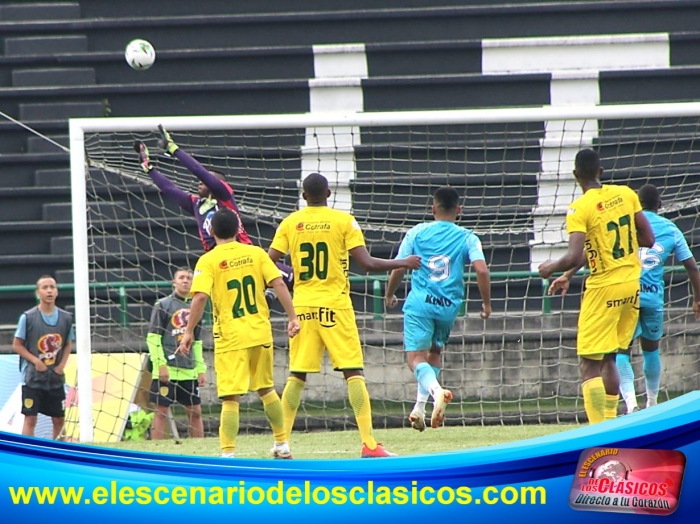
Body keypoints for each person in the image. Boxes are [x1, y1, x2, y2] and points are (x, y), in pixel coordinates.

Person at [267, 172, 421, 458]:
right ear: (328, 194)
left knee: (297, 375)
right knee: (353, 372)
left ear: (303, 197)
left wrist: (285, 279)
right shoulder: (343, 221)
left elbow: (268, 262)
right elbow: (366, 263)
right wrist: (404, 262)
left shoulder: (289, 223)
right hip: (335, 306)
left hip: (302, 308)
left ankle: (281, 443)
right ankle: (369, 445)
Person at [539, 149, 654, 424]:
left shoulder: (580, 209)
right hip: (631, 286)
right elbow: (648, 239)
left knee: (589, 362)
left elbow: (575, 254)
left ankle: (597, 431)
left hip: (604, 288)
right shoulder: (626, 194)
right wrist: (568, 274)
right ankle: (612, 423)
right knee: (611, 357)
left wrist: (551, 267)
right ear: (601, 172)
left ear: (576, 175)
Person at [176, 208, 300, 459]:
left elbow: (200, 296)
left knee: (231, 398)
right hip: (260, 332)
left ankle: (228, 454)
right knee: (266, 389)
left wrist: (189, 331)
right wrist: (292, 317)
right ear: (238, 229)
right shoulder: (256, 254)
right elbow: (278, 283)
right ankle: (282, 443)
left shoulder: (208, 260)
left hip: (231, 337)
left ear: (211, 231)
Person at [134, 127, 293, 294]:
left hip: (245, 255)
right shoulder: (197, 205)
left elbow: (199, 171)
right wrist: (149, 169)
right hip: (219, 263)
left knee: (292, 280)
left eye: (206, 180)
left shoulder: (225, 197)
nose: (200, 183)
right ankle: (269, 294)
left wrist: (175, 150)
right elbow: (170, 189)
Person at [384, 186, 492, 432]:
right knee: (434, 352)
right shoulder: (468, 236)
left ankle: (436, 392)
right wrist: (486, 304)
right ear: (459, 210)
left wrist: (390, 294)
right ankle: (420, 408)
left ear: (432, 209)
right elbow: (482, 270)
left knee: (415, 359)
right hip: (448, 306)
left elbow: (400, 266)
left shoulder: (417, 232)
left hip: (421, 304)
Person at [615, 184, 700, 413]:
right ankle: (652, 403)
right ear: (660, 205)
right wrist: (697, 299)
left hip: (627, 296)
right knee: (650, 350)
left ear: (636, 204)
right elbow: (692, 267)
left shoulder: (627, 226)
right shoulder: (671, 229)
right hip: (653, 298)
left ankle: (631, 404)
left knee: (621, 350)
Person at [147, 267, 206, 439]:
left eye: (189, 278)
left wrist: (200, 368)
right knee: (161, 411)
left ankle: (200, 448)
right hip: (168, 368)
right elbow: (153, 337)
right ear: (174, 282)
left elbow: (198, 341)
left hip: (189, 370)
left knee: (195, 411)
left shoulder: (197, 306)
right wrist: (160, 365)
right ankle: (156, 448)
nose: (185, 280)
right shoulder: (162, 305)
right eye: (181, 277)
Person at [12, 275, 74, 439]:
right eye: (45, 287)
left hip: (54, 378)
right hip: (33, 378)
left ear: (57, 291)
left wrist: (61, 366)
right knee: (31, 418)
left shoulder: (66, 318)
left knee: (59, 419)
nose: (49, 291)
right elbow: (17, 345)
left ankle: (59, 453)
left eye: (52, 287)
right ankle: (28, 453)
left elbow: (68, 343)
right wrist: (35, 361)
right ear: (38, 292)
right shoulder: (28, 317)